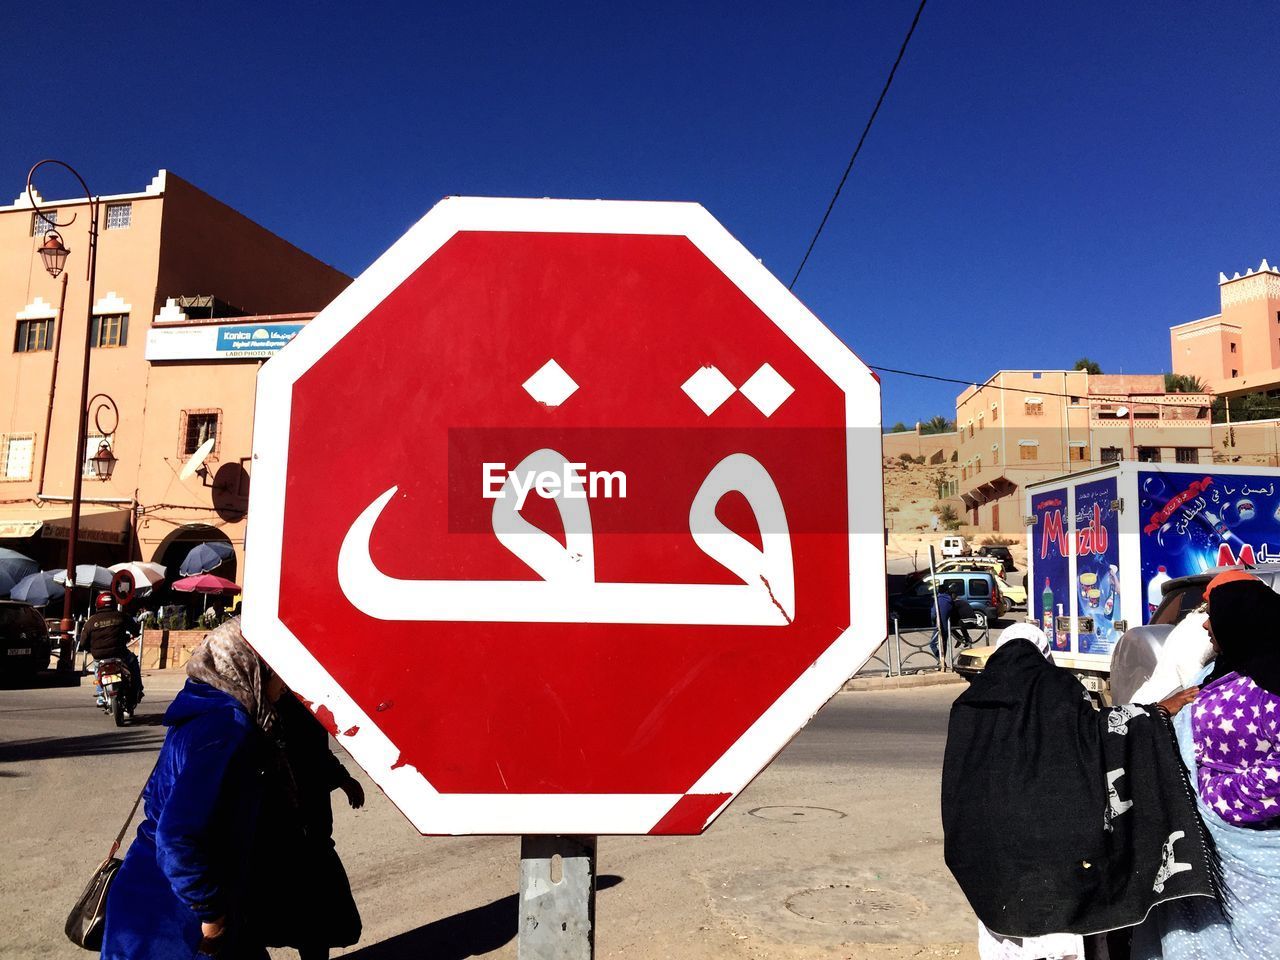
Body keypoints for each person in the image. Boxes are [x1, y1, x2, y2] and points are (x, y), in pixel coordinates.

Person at [944, 625, 1220, 960]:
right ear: (1044, 655)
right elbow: (1103, 736)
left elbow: (958, 785)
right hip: (1062, 856)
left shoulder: (970, 706)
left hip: (997, 853)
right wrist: (1156, 713)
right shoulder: (1060, 691)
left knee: (1008, 931)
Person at [101, 617, 284, 960]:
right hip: (173, 919)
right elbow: (176, 838)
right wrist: (211, 914)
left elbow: (157, 793)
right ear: (251, 668)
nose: (284, 684)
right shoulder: (227, 730)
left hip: (145, 901)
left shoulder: (201, 708)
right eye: (277, 671)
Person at [1131, 572, 1280, 960]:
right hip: (1211, 852)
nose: (1205, 623)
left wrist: (1218, 798)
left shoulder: (1273, 686)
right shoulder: (1218, 673)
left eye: (1213, 613)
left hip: (1259, 856)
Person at [251, 690, 364, 959]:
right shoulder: (261, 698)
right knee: (274, 912)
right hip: (280, 824)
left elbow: (313, 749)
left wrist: (342, 778)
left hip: (306, 821)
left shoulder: (298, 692)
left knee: (312, 915)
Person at [83, 591, 143, 704]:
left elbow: (83, 641)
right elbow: (135, 628)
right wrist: (134, 633)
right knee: (133, 662)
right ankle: (138, 689)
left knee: (97, 667)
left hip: (99, 656)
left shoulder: (91, 621)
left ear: (98, 604)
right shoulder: (121, 616)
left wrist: (89, 648)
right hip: (119, 653)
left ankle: (100, 694)